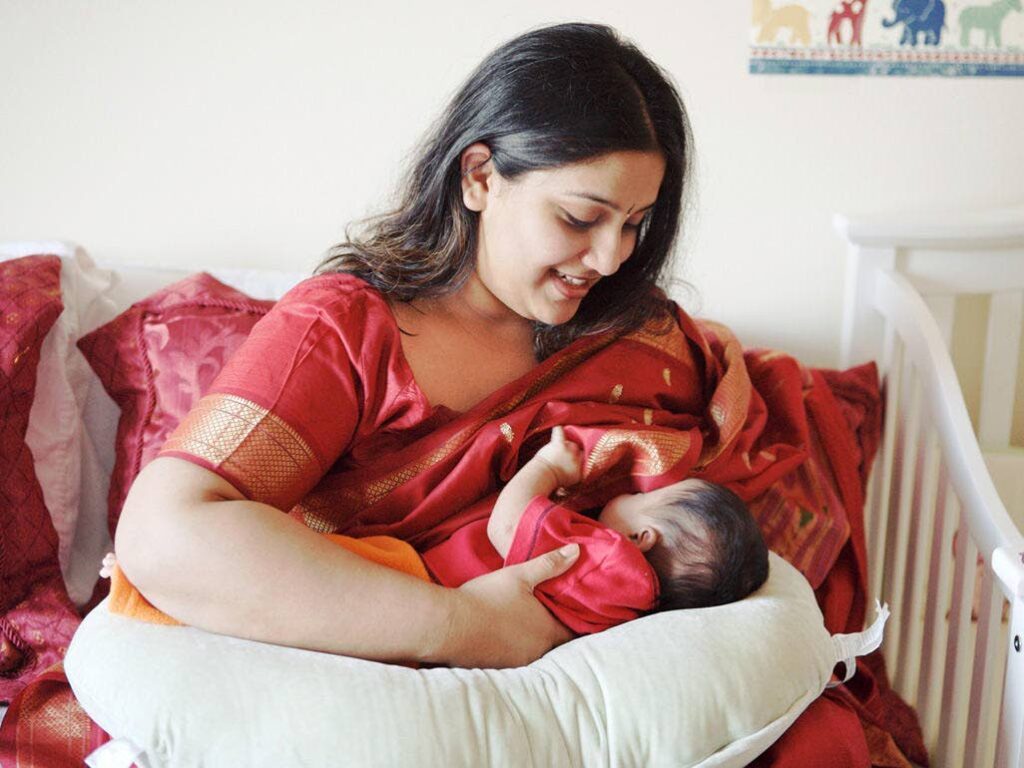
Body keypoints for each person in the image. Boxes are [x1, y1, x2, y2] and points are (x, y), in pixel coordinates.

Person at [113, 21, 694, 669]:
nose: (612, 259)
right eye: (580, 218)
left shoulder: (629, 336)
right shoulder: (345, 330)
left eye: (635, 225)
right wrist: (466, 623)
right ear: (479, 176)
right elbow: (163, 534)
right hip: (372, 681)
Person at [102, 426, 769, 636]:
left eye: (648, 497)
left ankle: (142, 587)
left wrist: (544, 468)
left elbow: (513, 525)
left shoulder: (602, 554)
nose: (629, 491)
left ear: (645, 540)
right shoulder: (631, 608)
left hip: (420, 580)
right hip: (435, 592)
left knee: (289, 556)